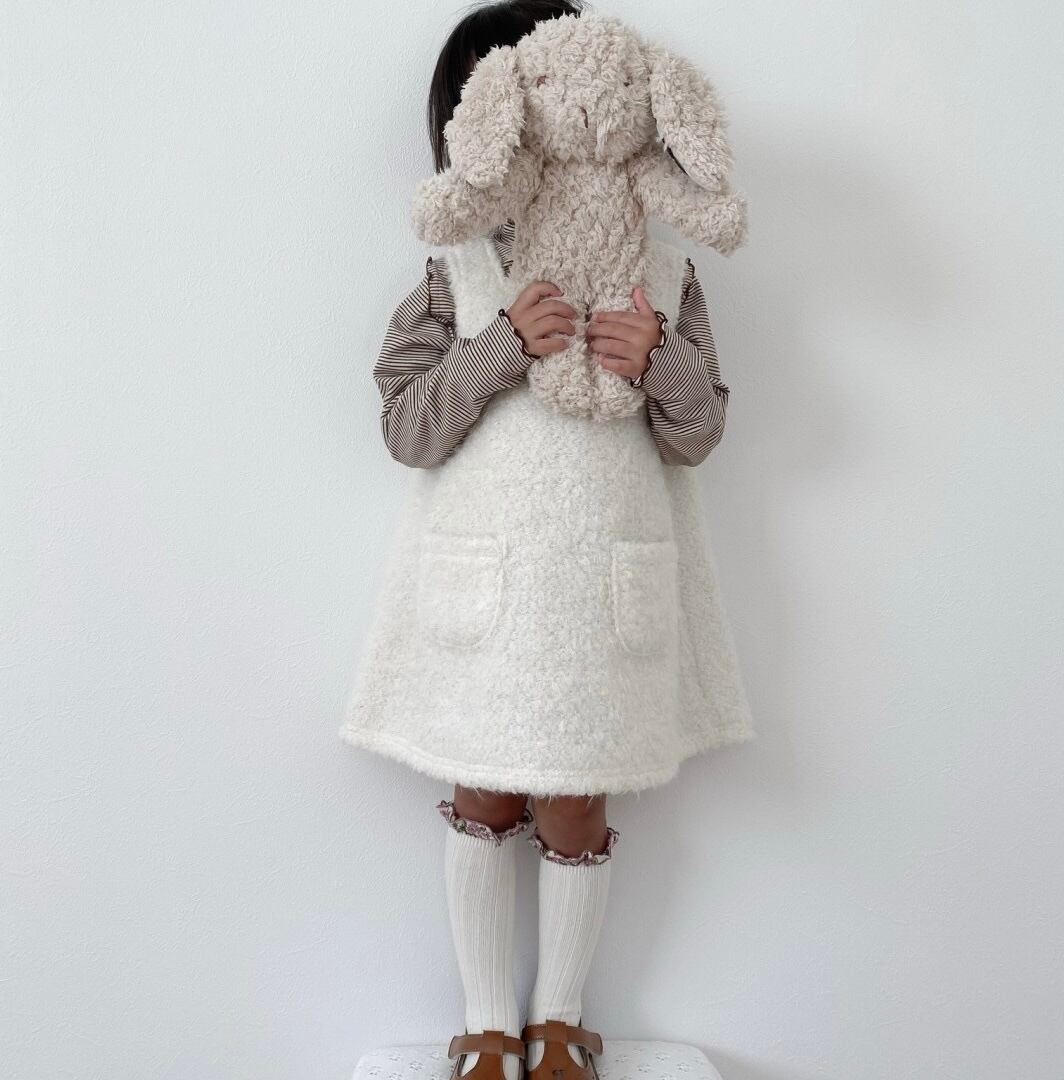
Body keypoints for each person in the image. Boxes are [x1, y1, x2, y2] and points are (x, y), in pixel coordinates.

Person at [341, 4, 754, 1080]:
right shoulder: (456, 271)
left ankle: (560, 1020)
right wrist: (498, 349)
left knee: (577, 796)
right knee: (483, 788)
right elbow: (406, 428)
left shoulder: (664, 272)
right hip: (492, 592)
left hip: (603, 591)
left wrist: (657, 359)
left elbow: (699, 434)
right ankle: (487, 1022)